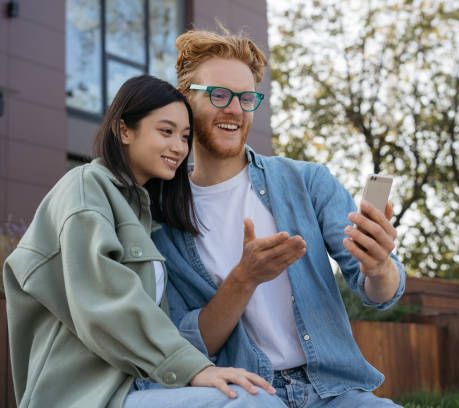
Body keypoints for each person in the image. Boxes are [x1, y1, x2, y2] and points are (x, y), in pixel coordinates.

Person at [151, 29, 407, 408]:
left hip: (333, 390)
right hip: (248, 391)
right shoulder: (163, 221)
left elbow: (380, 292)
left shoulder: (307, 182)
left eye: (246, 98)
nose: (235, 110)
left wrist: (380, 266)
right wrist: (244, 278)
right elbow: (189, 347)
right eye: (219, 95)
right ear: (185, 100)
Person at [2, 75, 286, 408]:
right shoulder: (84, 188)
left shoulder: (145, 215)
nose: (179, 147)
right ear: (124, 130)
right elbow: (104, 304)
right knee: (251, 404)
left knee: (258, 396)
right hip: (84, 397)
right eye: (165, 132)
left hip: (139, 388)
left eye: (185, 137)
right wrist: (195, 369)